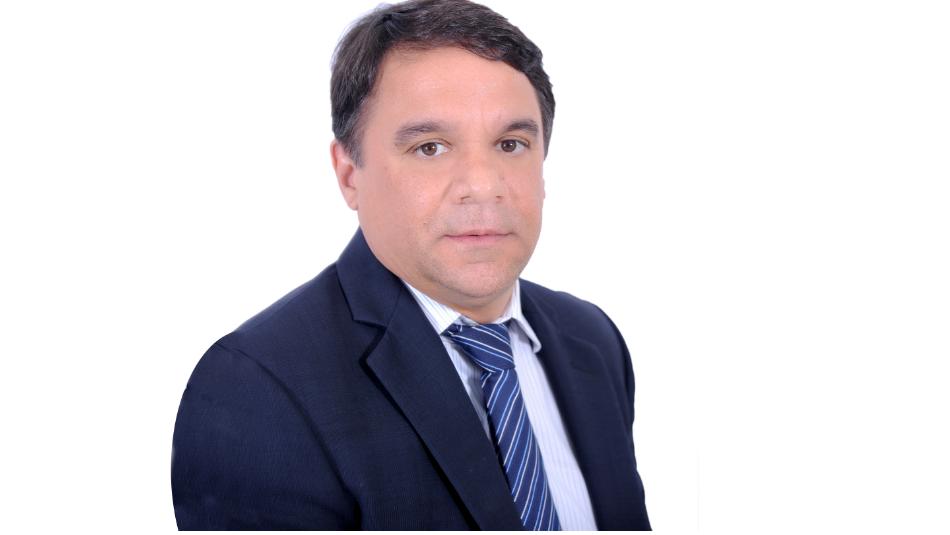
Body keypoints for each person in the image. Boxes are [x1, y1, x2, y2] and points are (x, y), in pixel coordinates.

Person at [171, 0, 650, 530]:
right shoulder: (255, 388)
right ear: (349, 175)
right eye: (430, 148)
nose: (483, 185)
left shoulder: (592, 339)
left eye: (511, 144)